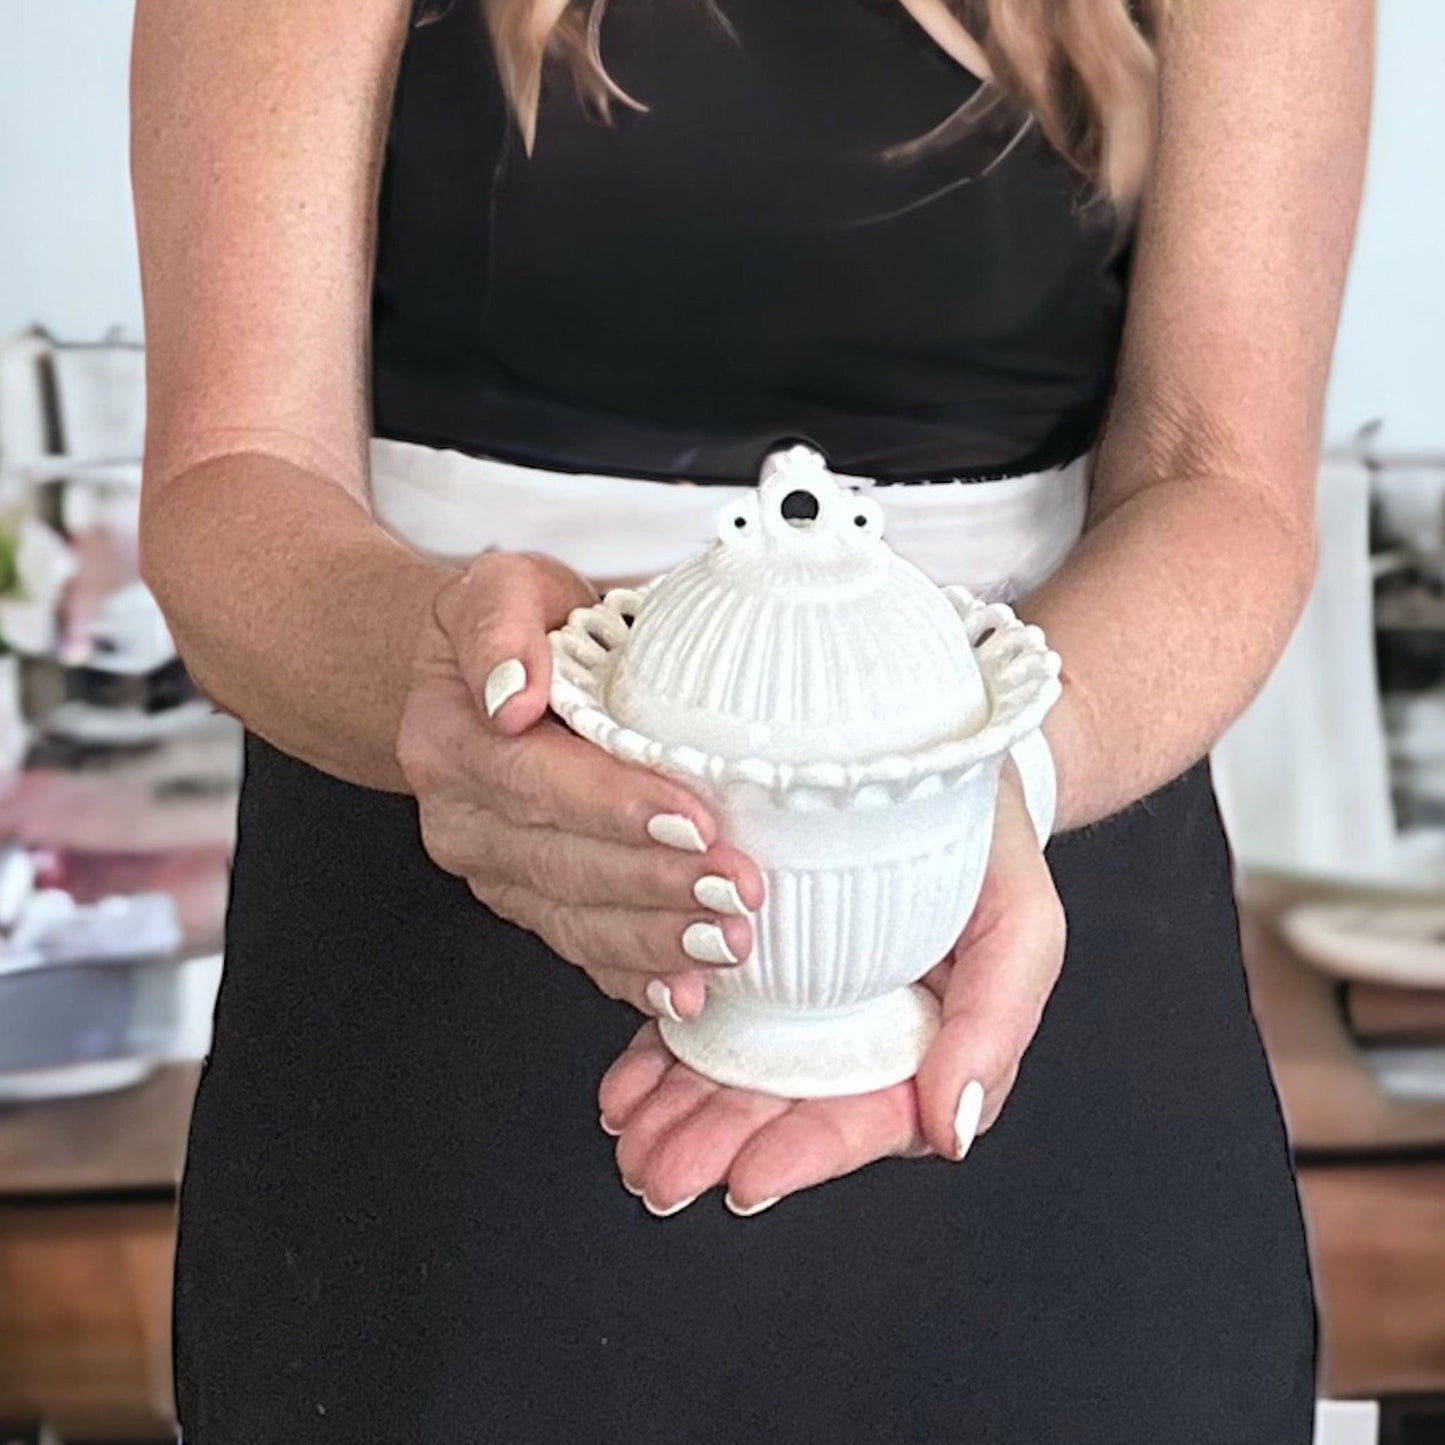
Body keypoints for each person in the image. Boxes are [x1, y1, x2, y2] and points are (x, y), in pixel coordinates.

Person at [131, 0, 1369, 1439]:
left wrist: (987, 786)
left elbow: (1221, 479)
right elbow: (231, 477)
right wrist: (438, 685)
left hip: (1015, 939)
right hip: (441, 1017)